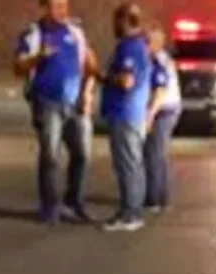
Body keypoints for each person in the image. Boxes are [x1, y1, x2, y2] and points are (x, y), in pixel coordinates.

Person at [13, 0, 97, 225]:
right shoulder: (34, 34)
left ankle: (74, 202)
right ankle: (49, 207)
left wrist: (87, 94)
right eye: (56, 6)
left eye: (64, 5)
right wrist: (38, 57)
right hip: (46, 102)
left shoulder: (76, 32)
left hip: (75, 103)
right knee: (50, 155)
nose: (62, 11)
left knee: (82, 154)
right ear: (44, 7)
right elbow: (18, 67)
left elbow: (90, 65)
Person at [99, 2, 152, 232]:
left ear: (124, 21)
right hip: (133, 113)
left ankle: (130, 214)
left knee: (127, 165)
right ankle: (132, 211)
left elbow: (126, 81)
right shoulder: (140, 45)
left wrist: (101, 76)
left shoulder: (129, 47)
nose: (113, 26)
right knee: (133, 164)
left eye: (116, 21)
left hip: (125, 113)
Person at [143, 26, 181, 214]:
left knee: (154, 154)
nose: (144, 45)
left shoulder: (159, 60)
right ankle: (160, 197)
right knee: (157, 154)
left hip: (164, 110)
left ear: (157, 43)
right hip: (165, 109)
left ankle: (154, 199)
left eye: (147, 41)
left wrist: (149, 116)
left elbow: (159, 91)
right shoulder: (158, 58)